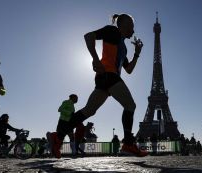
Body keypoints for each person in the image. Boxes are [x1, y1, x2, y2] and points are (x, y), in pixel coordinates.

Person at [56, 13, 147, 157]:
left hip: (104, 78)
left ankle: (58, 136)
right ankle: (128, 144)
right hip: (108, 75)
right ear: (122, 25)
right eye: (131, 26)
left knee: (89, 110)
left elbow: (128, 70)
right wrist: (95, 59)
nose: (133, 30)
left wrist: (137, 54)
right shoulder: (112, 31)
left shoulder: (123, 46)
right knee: (130, 105)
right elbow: (88, 36)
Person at [48, 94, 78, 158]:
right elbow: (60, 109)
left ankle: (74, 152)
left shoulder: (72, 105)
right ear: (72, 97)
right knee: (61, 137)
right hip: (63, 121)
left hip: (69, 123)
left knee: (72, 137)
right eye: (76, 98)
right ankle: (52, 138)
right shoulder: (66, 102)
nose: (77, 99)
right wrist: (69, 113)